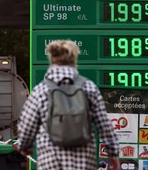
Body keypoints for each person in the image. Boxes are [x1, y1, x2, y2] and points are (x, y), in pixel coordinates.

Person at [17, 40, 120, 170]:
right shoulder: (88, 87)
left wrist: (25, 147)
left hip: (50, 161)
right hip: (84, 162)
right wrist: (113, 154)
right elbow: (104, 125)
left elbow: (27, 124)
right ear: (74, 58)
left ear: (52, 58)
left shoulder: (41, 90)